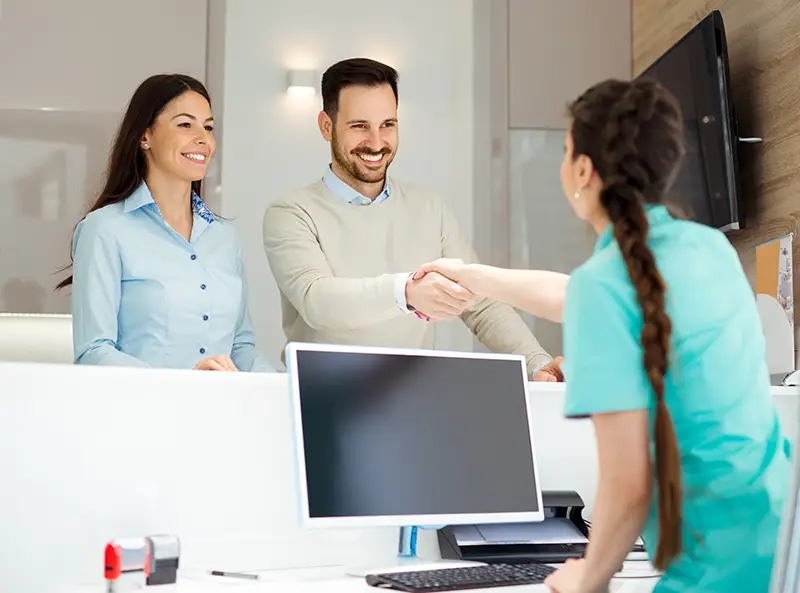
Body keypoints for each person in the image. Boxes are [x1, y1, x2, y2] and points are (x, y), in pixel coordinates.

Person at [416, 78, 789, 593]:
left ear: (584, 171)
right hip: (782, 539)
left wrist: (589, 575)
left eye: (567, 150)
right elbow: (578, 294)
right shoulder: (709, 249)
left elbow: (628, 483)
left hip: (714, 567)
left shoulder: (607, 283)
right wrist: (473, 275)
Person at [262, 58, 562, 380]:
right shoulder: (292, 212)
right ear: (326, 126)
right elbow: (317, 301)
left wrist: (536, 363)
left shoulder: (430, 207)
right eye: (360, 126)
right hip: (321, 397)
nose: (376, 143)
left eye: (387, 125)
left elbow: (481, 304)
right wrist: (405, 292)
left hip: (412, 397)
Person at [57, 74, 272, 372]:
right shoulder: (104, 229)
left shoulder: (225, 237)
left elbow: (241, 346)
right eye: (185, 124)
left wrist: (283, 388)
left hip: (221, 412)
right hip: (143, 413)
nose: (203, 138)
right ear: (145, 136)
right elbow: (94, 351)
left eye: (208, 127)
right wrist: (180, 385)